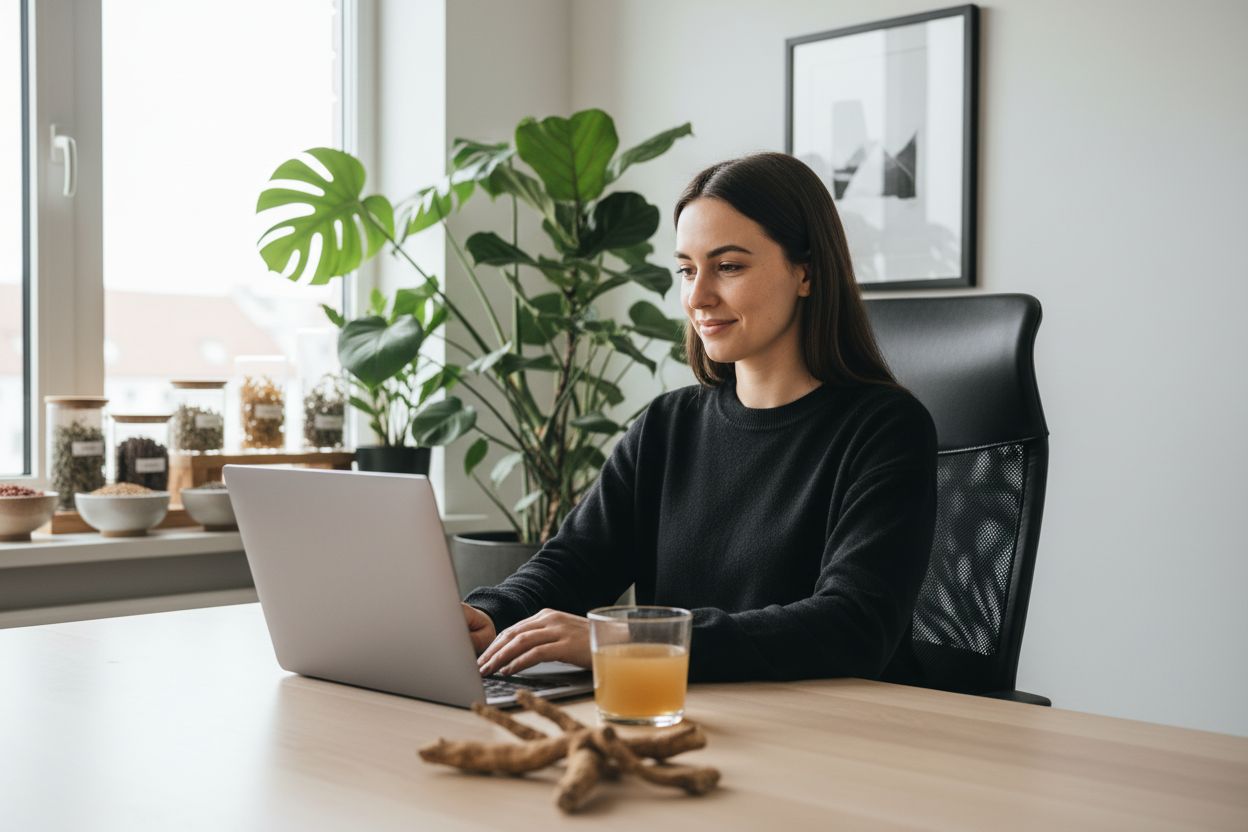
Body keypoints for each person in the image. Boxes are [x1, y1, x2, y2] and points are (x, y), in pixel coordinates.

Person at [463, 151, 937, 684]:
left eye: (728, 267)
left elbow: (852, 626)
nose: (698, 296)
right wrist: (490, 615)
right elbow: (577, 562)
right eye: (687, 270)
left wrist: (630, 640)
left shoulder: (885, 429)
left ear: (806, 272)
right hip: (679, 710)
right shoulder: (668, 425)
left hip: (834, 720)